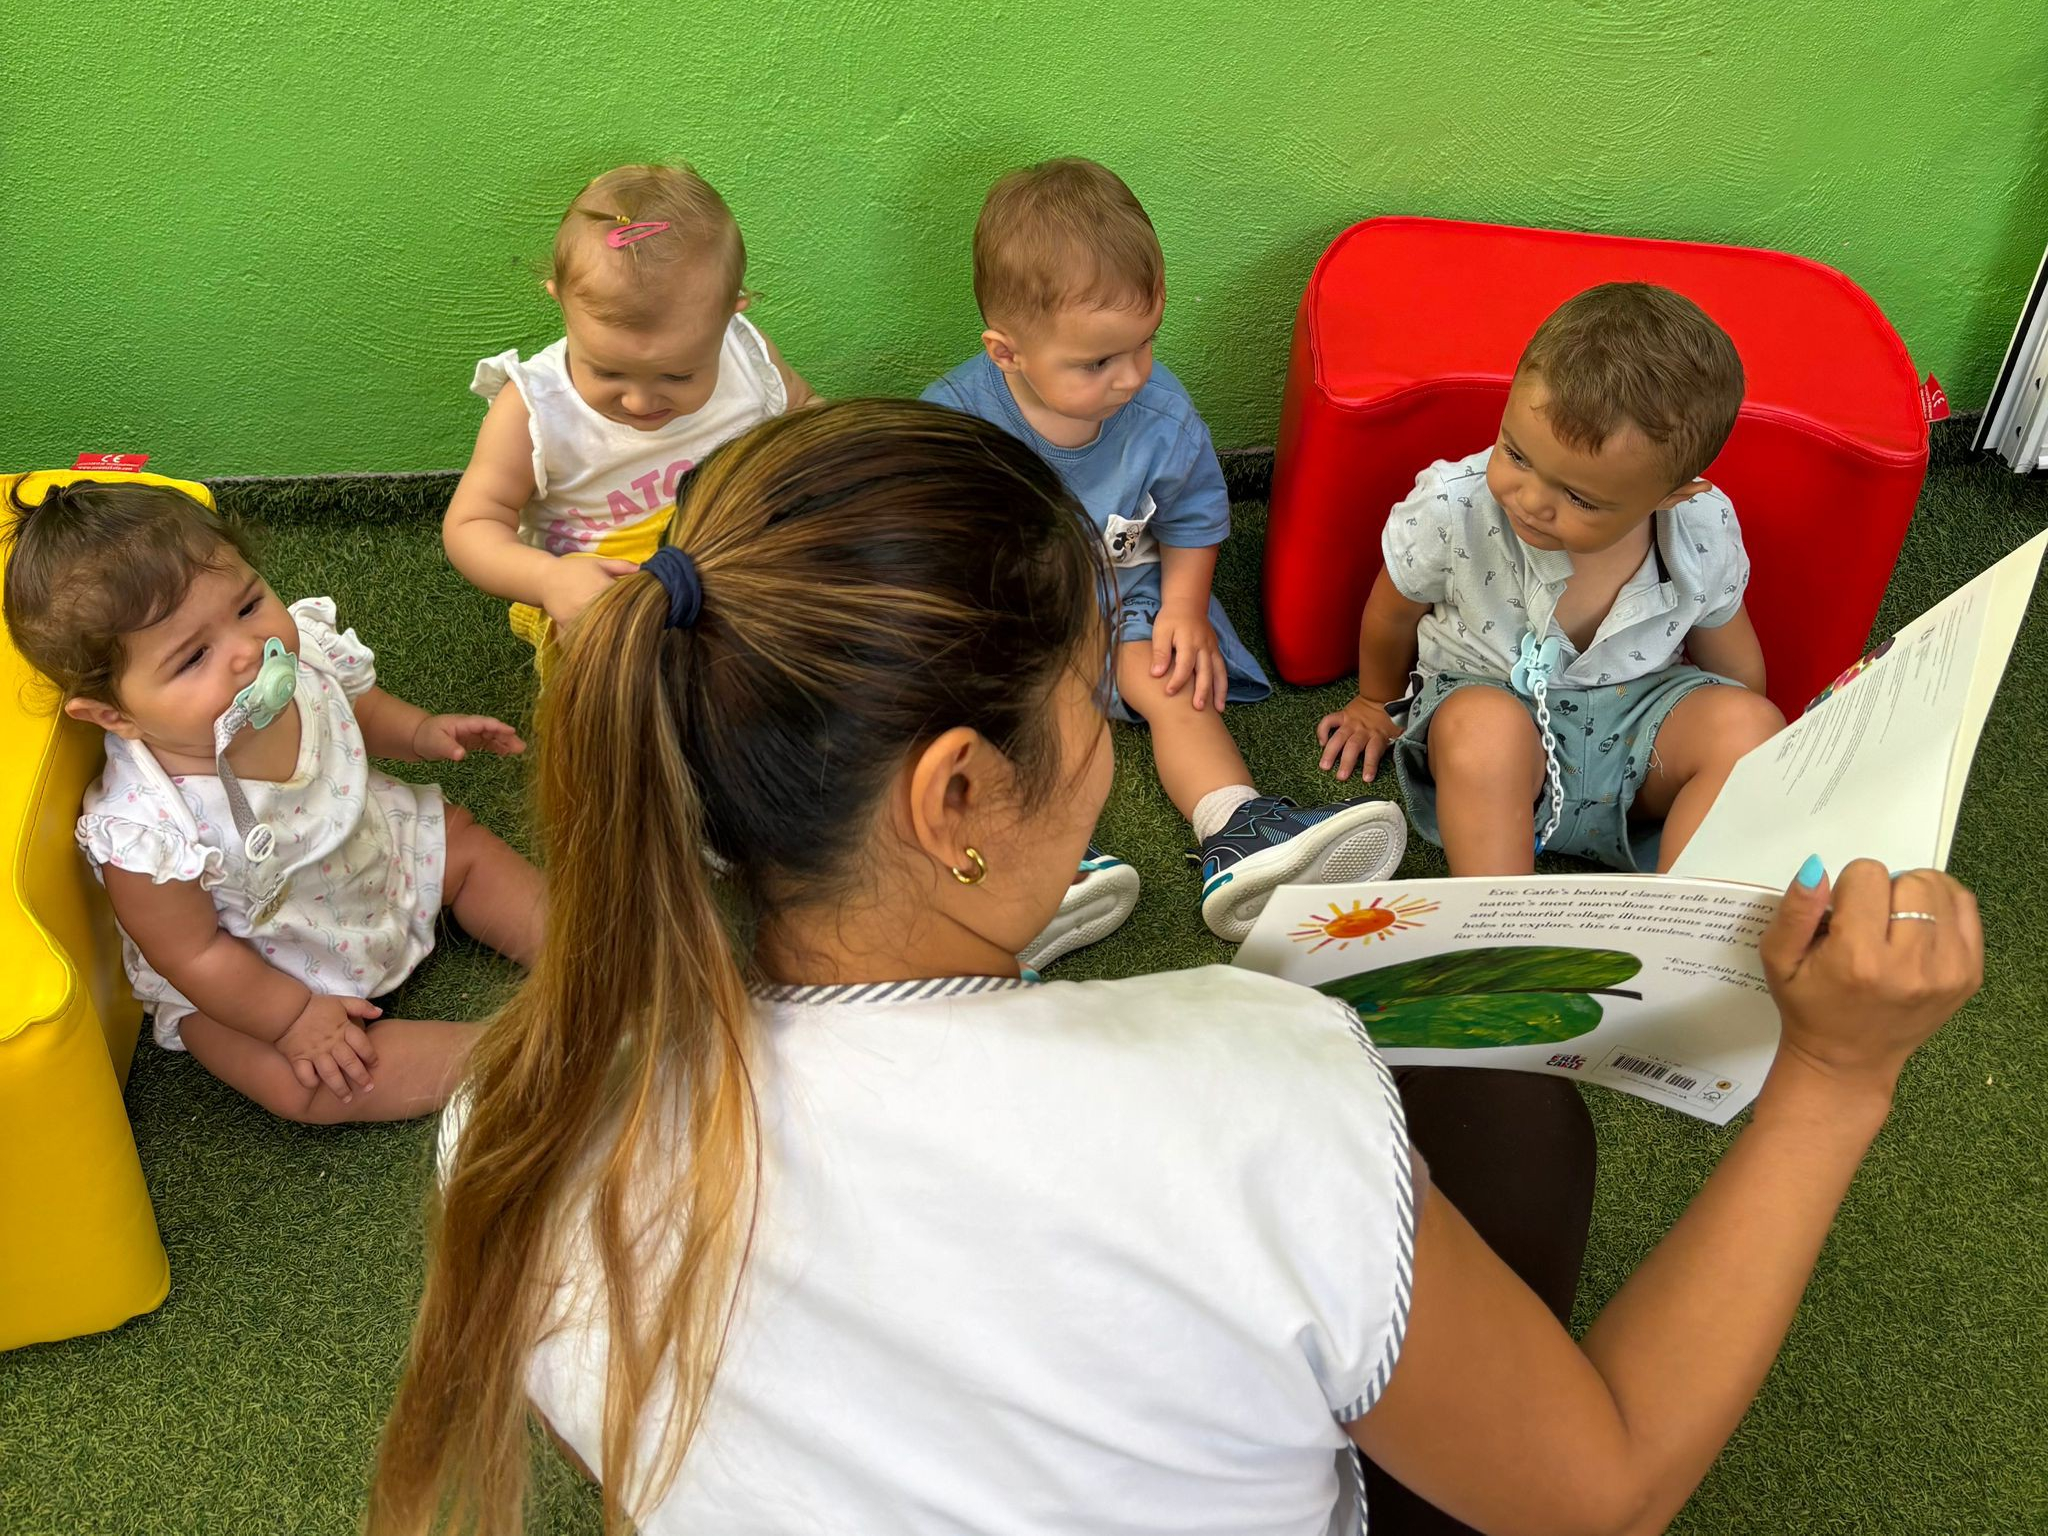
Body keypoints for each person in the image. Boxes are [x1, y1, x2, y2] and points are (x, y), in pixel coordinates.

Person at [369, 401, 1982, 1536]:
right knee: (1509, 1131)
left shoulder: (505, 1118)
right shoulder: (1251, 1080)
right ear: (955, 799)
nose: (1116, 722)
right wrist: (1832, 1081)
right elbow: (1601, 1487)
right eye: (1095, 692)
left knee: (1499, 1129)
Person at [925, 158, 1405, 949]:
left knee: (1178, 684)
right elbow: (930, 542)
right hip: (1015, 615)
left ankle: (1238, 829)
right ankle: (1030, 872)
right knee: (973, 715)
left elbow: (1192, 517)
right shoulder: (954, 426)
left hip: (1129, 601)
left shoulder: (1161, 413)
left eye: (1145, 344)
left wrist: (1185, 607)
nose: (1132, 377)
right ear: (1006, 353)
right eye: (1097, 362)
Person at [2, 480, 544, 1121]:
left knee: (466, 846)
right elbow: (192, 953)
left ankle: (588, 951)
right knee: (303, 1086)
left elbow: (353, 708)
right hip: (261, 965)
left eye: (249, 605)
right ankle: (513, 1058)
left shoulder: (299, 656)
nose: (247, 651)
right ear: (116, 715)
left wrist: (419, 731)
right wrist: (290, 1019)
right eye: (193, 658)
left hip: (369, 849)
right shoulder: (150, 830)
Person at [1316, 282, 1786, 875]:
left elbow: (1734, 663)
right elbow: (1392, 610)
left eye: (1580, 498)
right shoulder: (1452, 509)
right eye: (1516, 454)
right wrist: (1374, 700)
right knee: (1483, 732)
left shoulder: (1700, 528)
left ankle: (1684, 921)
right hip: (1492, 720)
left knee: (1752, 726)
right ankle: (1501, 929)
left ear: (1668, 496)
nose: (1532, 500)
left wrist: (1750, 752)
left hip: (1641, 735)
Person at [443, 162, 815, 666]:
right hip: (607, 594)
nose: (641, 403)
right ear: (561, 303)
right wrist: (548, 579)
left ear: (733, 313)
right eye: (608, 373)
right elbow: (472, 524)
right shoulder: (534, 409)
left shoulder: (747, 357)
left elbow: (808, 420)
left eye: (678, 376)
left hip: (731, 554)